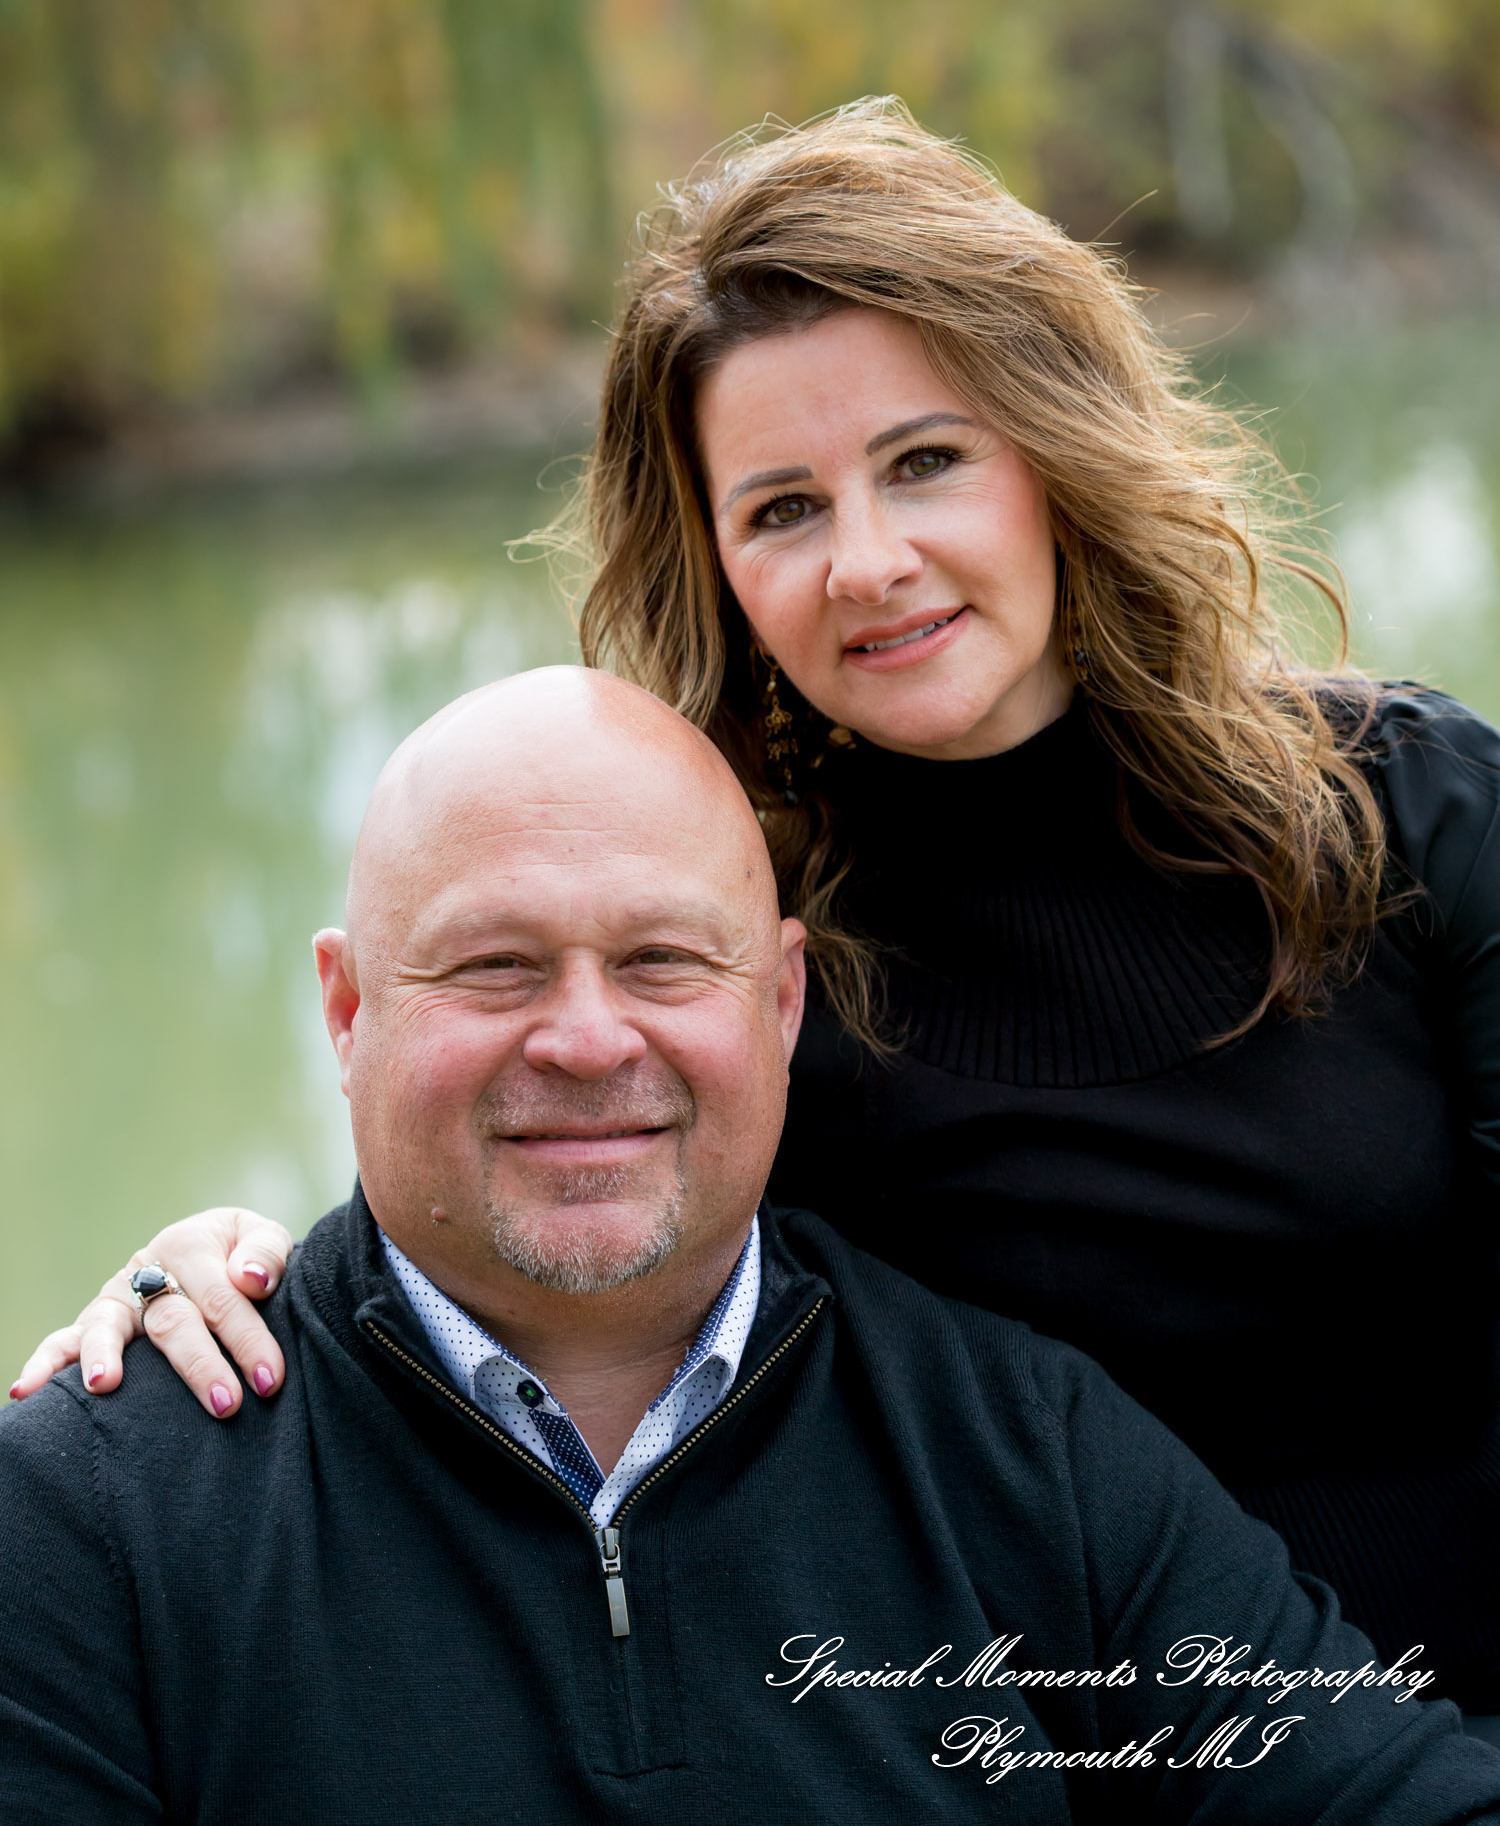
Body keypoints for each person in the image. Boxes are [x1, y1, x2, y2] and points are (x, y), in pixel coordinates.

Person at [19, 100, 1500, 1716]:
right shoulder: (734, 947)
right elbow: (486, 1244)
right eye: (783, 507)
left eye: (926, 464)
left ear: (1056, 459)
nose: (866, 561)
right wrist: (225, 1276)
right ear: (719, 559)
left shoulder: (1405, 810)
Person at [3, 666, 1499, 1825]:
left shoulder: (1027, 1457)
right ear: (347, 1012)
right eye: (495, 964)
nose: (588, 1040)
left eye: (662, 959)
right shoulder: (90, 1518)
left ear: (782, 1004)